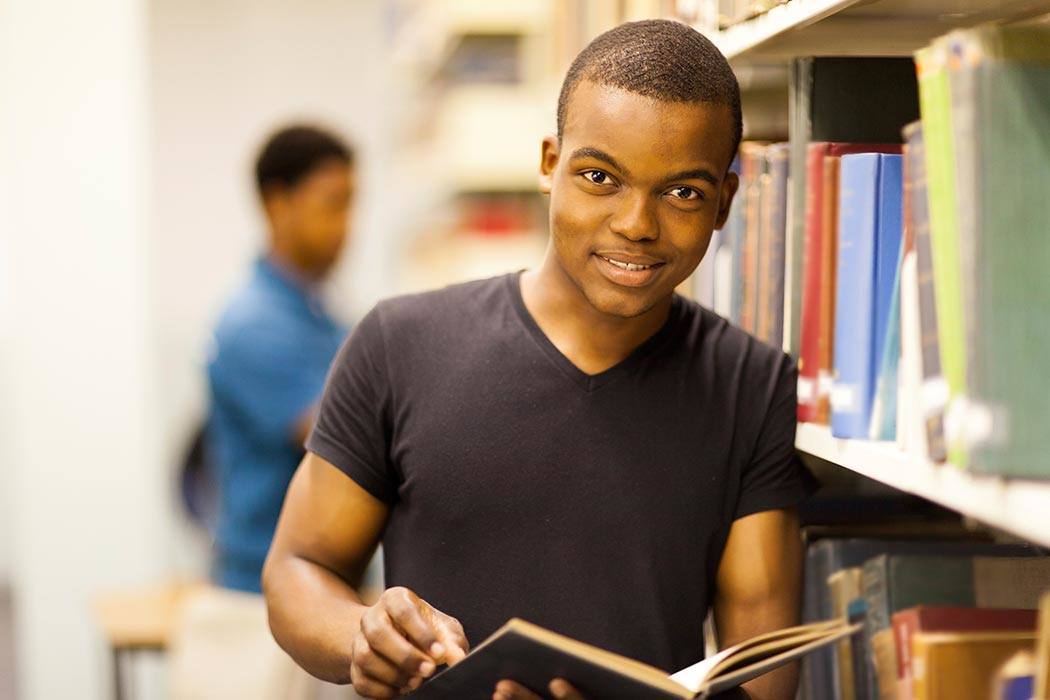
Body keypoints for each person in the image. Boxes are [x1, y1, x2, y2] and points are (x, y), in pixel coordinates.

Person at [263, 21, 814, 700]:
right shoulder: (398, 344)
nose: (636, 223)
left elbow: (763, 677)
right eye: (599, 177)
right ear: (550, 163)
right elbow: (298, 565)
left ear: (725, 202)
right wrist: (361, 636)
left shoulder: (751, 387)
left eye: (682, 193)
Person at [168, 125, 356, 700]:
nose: (347, 227)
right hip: (260, 602)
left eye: (352, 204)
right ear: (277, 203)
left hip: (319, 592)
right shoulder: (255, 323)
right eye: (333, 204)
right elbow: (349, 443)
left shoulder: (317, 314)